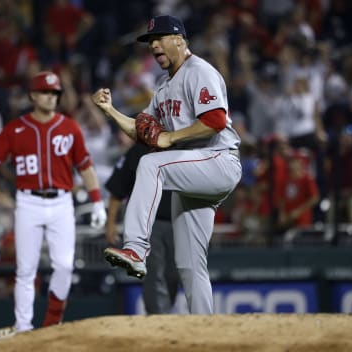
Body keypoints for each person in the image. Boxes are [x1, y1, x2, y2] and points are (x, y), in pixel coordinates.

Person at [92, 15, 242, 314]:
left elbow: (214, 121)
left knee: (151, 165)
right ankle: (207, 331)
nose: (154, 45)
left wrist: (171, 138)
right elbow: (142, 131)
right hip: (192, 174)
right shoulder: (163, 87)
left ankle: (135, 248)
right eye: (150, 41)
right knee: (188, 265)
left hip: (219, 160)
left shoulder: (199, 71)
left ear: (180, 40)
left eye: (160, 38)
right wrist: (110, 111)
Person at [0, 71, 107, 331]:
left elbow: (86, 167)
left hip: (61, 202)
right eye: (45, 92)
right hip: (28, 203)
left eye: (54, 93)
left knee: (64, 266)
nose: (50, 97)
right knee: (26, 269)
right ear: (33, 95)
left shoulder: (70, 127)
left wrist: (96, 201)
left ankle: (51, 322)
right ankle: (23, 327)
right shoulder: (15, 128)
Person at [105, 142, 179, 314]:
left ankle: (165, 314)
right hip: (147, 223)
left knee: (173, 274)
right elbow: (118, 188)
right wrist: (110, 223)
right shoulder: (139, 150)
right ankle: (158, 317)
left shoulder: (185, 147)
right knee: (154, 273)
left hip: (179, 222)